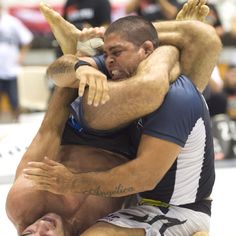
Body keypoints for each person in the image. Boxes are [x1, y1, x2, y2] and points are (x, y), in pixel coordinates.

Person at [21, 1, 221, 236]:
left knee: (193, 47)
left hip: (177, 209)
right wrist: (78, 63)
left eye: (114, 52)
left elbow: (142, 177)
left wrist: (73, 182)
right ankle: (169, 34)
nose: (108, 60)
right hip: (140, 203)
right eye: (105, 54)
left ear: (146, 51)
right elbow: (57, 72)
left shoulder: (176, 95)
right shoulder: (116, 66)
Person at [0, 0, 33, 121]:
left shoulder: (11, 22)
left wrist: (22, 55)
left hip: (9, 66)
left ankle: (16, 119)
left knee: (13, 97)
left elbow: (27, 38)